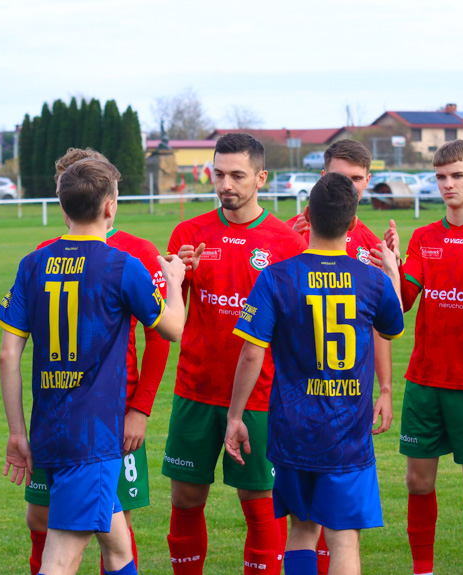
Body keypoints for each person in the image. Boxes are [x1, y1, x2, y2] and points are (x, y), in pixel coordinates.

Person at [0, 157, 186, 575]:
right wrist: (174, 280)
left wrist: (16, 432)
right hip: (94, 438)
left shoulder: (34, 264)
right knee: (61, 559)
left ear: (62, 208)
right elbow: (172, 329)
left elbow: (8, 355)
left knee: (118, 548)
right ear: (110, 207)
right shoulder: (122, 265)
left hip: (50, 428)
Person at [225, 171, 405, 575]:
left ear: (306, 214)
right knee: (343, 538)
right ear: (354, 223)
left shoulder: (275, 277)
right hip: (348, 435)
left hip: (292, 428)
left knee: (301, 530)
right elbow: (392, 328)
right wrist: (392, 272)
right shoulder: (372, 281)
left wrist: (235, 416)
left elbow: (252, 353)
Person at [162, 133, 306, 575]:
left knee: (260, 503)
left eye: (237, 175)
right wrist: (180, 275)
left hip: (263, 396)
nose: (225, 184)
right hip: (196, 389)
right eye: (219, 174)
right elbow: (169, 318)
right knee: (186, 498)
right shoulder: (189, 234)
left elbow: (299, 328)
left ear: (261, 178)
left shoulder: (286, 243)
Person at [387, 140, 463, 575]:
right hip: (424, 381)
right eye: (440, 177)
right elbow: (401, 303)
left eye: (456, 175)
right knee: (418, 482)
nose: (447, 184)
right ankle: (423, 569)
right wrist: (392, 268)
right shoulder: (424, 238)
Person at [285, 138, 396, 574]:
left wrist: (385, 388)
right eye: (338, 178)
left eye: (354, 179)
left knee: (333, 522)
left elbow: (383, 326)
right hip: (297, 397)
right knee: (309, 521)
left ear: (367, 182)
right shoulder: (290, 236)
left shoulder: (369, 244)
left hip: (348, 402)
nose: (347, 186)